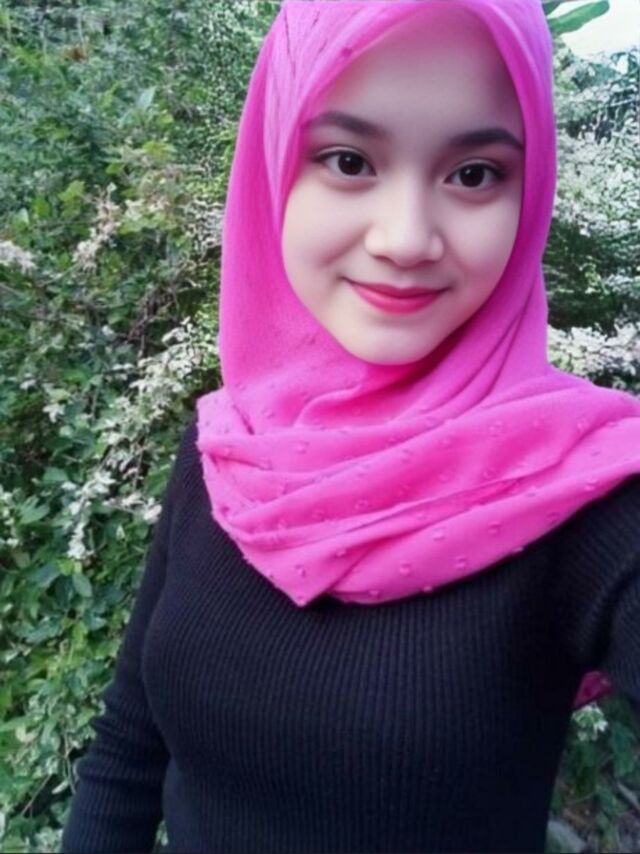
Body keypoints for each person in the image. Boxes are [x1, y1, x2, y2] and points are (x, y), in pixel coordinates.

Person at [62, 1, 640, 852]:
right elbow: (129, 744)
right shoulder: (229, 447)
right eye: (348, 160)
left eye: (474, 173)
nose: (405, 239)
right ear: (274, 170)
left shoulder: (587, 497)